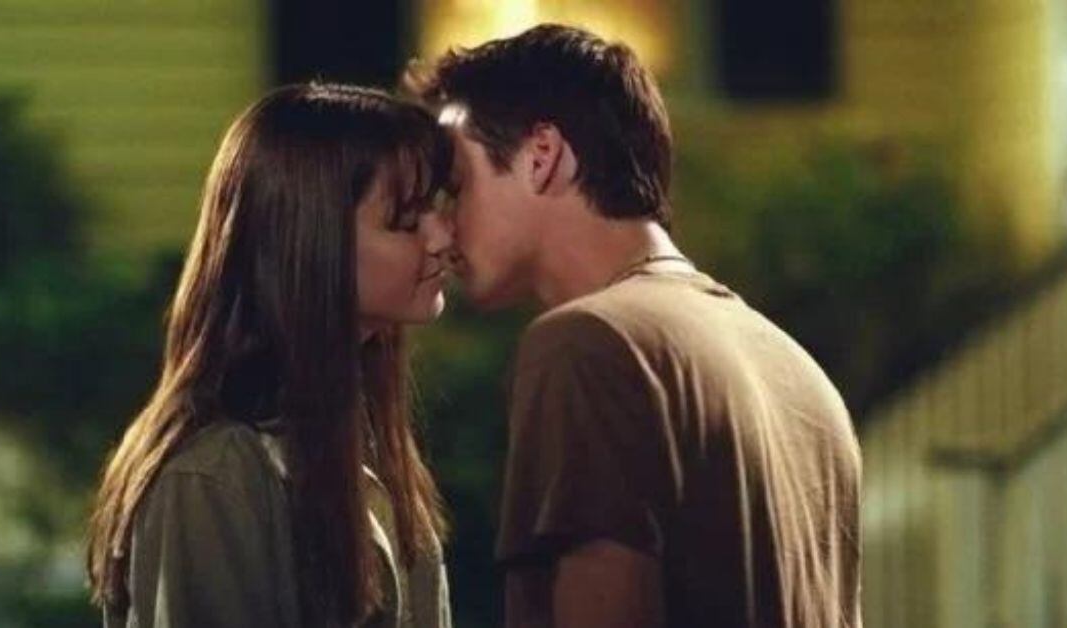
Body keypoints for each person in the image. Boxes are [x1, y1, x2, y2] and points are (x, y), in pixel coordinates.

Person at [406, 24, 862, 628]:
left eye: (455, 188)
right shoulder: (798, 371)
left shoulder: (588, 344)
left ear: (541, 155)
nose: (441, 225)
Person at [86, 83, 455, 628]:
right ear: (310, 239)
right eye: (405, 220)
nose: (443, 237)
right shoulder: (214, 477)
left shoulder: (357, 437)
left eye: (438, 208)